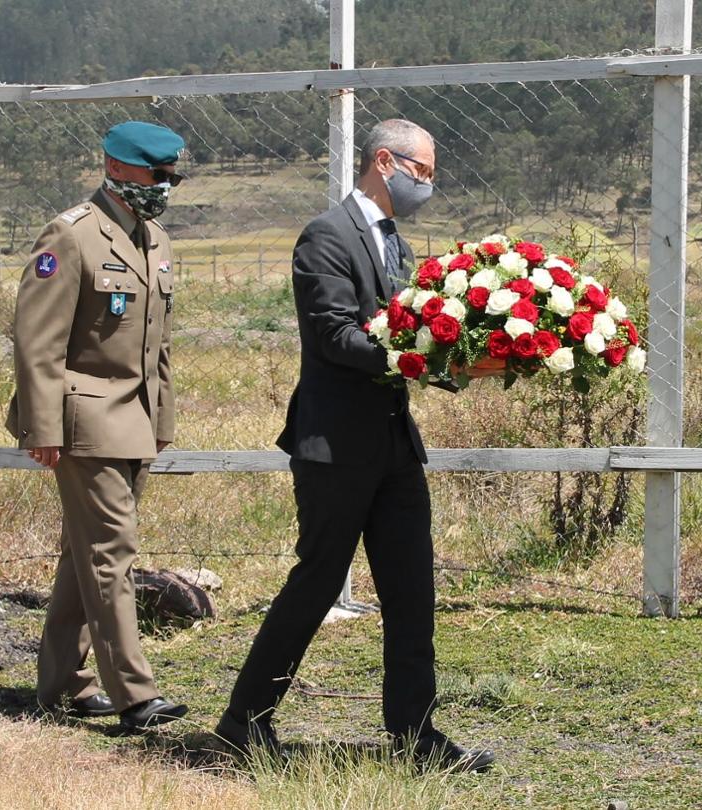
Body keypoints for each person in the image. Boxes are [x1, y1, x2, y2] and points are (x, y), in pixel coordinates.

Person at [214, 119, 496, 772]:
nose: (428, 183)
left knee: (411, 588)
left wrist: (461, 361)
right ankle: (244, 722)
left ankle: (416, 735)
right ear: (384, 161)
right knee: (315, 587)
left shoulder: (392, 241)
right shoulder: (326, 237)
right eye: (422, 171)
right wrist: (423, 360)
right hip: (335, 448)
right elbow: (335, 337)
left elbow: (410, 331)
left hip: (393, 446)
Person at [6, 120, 187, 732]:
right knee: (112, 552)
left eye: (171, 175)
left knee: (84, 555)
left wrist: (161, 417)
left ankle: (62, 683)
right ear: (117, 168)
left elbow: (157, 345)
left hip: (133, 420)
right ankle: (135, 694)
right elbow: (37, 342)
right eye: (156, 175)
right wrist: (42, 428)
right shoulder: (73, 235)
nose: (166, 185)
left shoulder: (154, 240)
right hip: (83, 419)